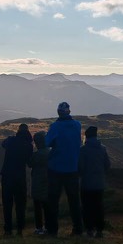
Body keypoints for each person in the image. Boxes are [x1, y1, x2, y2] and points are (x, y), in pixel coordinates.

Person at [44, 101, 83, 236]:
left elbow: (46, 142)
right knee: (74, 200)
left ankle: (52, 230)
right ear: (69, 112)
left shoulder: (55, 126)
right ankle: (78, 229)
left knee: (53, 200)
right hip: (73, 168)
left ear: (58, 113)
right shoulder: (77, 125)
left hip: (56, 168)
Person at [0, 123, 33, 235]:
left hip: (7, 175)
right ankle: (20, 229)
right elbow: (29, 163)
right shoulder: (28, 145)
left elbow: (2, 144)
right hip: (20, 176)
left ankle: (8, 229)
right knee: (20, 204)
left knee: (7, 204)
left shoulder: (11, 140)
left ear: (18, 131)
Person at [78, 125, 111, 238]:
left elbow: (80, 168)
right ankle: (100, 230)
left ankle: (89, 230)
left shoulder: (83, 150)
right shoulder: (103, 148)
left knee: (87, 207)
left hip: (86, 184)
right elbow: (107, 165)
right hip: (99, 183)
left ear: (86, 136)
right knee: (99, 206)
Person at [29, 131, 50, 235]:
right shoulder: (50, 152)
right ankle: (48, 226)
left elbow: (30, 163)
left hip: (37, 181)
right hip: (49, 181)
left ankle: (39, 227)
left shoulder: (36, 155)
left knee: (37, 206)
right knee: (47, 206)